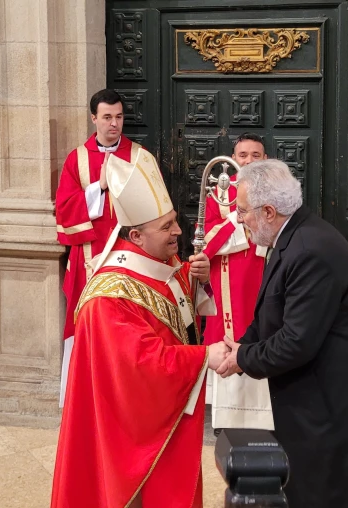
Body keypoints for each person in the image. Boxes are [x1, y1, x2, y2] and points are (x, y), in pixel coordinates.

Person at [215, 159, 348, 507]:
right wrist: (243, 343)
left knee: (327, 496)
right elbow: (271, 311)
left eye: (242, 211)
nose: (239, 219)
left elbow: (296, 342)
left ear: (268, 211)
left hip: (334, 410)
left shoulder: (309, 249)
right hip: (314, 403)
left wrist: (242, 358)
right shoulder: (292, 237)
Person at [51, 144, 231, 508]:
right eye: (166, 226)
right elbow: (140, 367)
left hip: (162, 422)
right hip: (131, 437)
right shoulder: (109, 298)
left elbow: (175, 316)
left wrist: (195, 281)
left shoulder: (160, 259)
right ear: (134, 237)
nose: (178, 231)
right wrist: (203, 357)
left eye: (175, 220)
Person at [55, 88, 151, 406]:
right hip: (90, 259)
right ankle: (85, 396)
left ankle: (130, 395)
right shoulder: (77, 160)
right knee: (91, 323)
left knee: (130, 324)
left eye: (119, 117)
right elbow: (65, 212)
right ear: (94, 118)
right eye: (107, 117)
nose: (114, 124)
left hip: (131, 260)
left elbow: (155, 209)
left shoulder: (139, 157)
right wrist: (100, 187)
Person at [203, 133, 273, 433]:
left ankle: (265, 417)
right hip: (227, 280)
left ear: (265, 159)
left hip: (262, 275)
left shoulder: (275, 192)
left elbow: (272, 234)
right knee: (229, 335)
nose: (247, 160)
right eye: (242, 155)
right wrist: (238, 217)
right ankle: (227, 418)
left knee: (264, 332)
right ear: (233, 158)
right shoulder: (217, 194)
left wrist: (242, 234)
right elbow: (207, 241)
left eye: (255, 155)